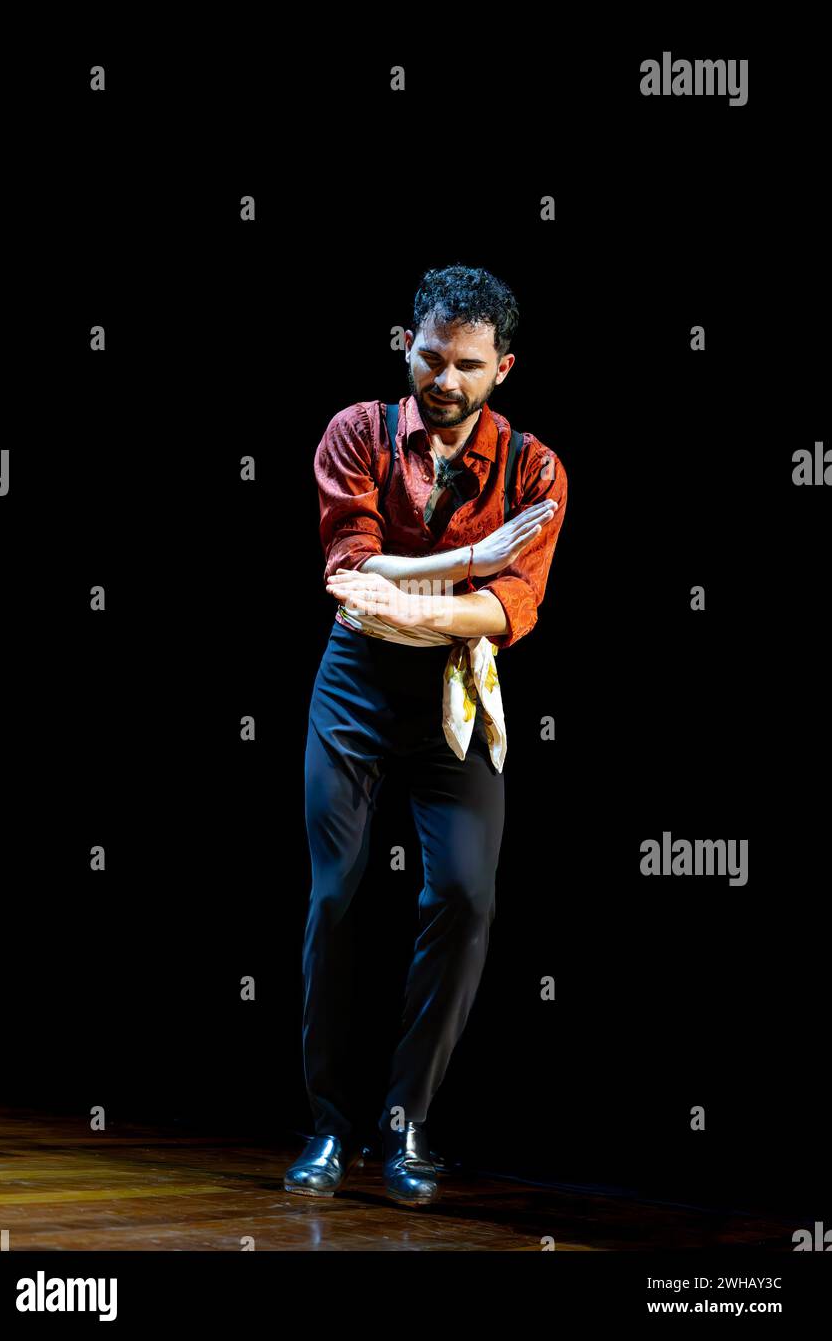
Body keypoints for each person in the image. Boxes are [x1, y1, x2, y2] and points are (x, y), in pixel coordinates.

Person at [285, 264, 568, 1207]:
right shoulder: (356, 432)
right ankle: (327, 1126)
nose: (445, 380)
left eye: (469, 366)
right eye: (432, 356)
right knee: (336, 897)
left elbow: (510, 610)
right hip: (355, 687)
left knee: (467, 898)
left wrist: (447, 599)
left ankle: (405, 1126)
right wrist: (469, 566)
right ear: (406, 340)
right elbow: (351, 579)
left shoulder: (535, 468)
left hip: (458, 695)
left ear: (504, 368)